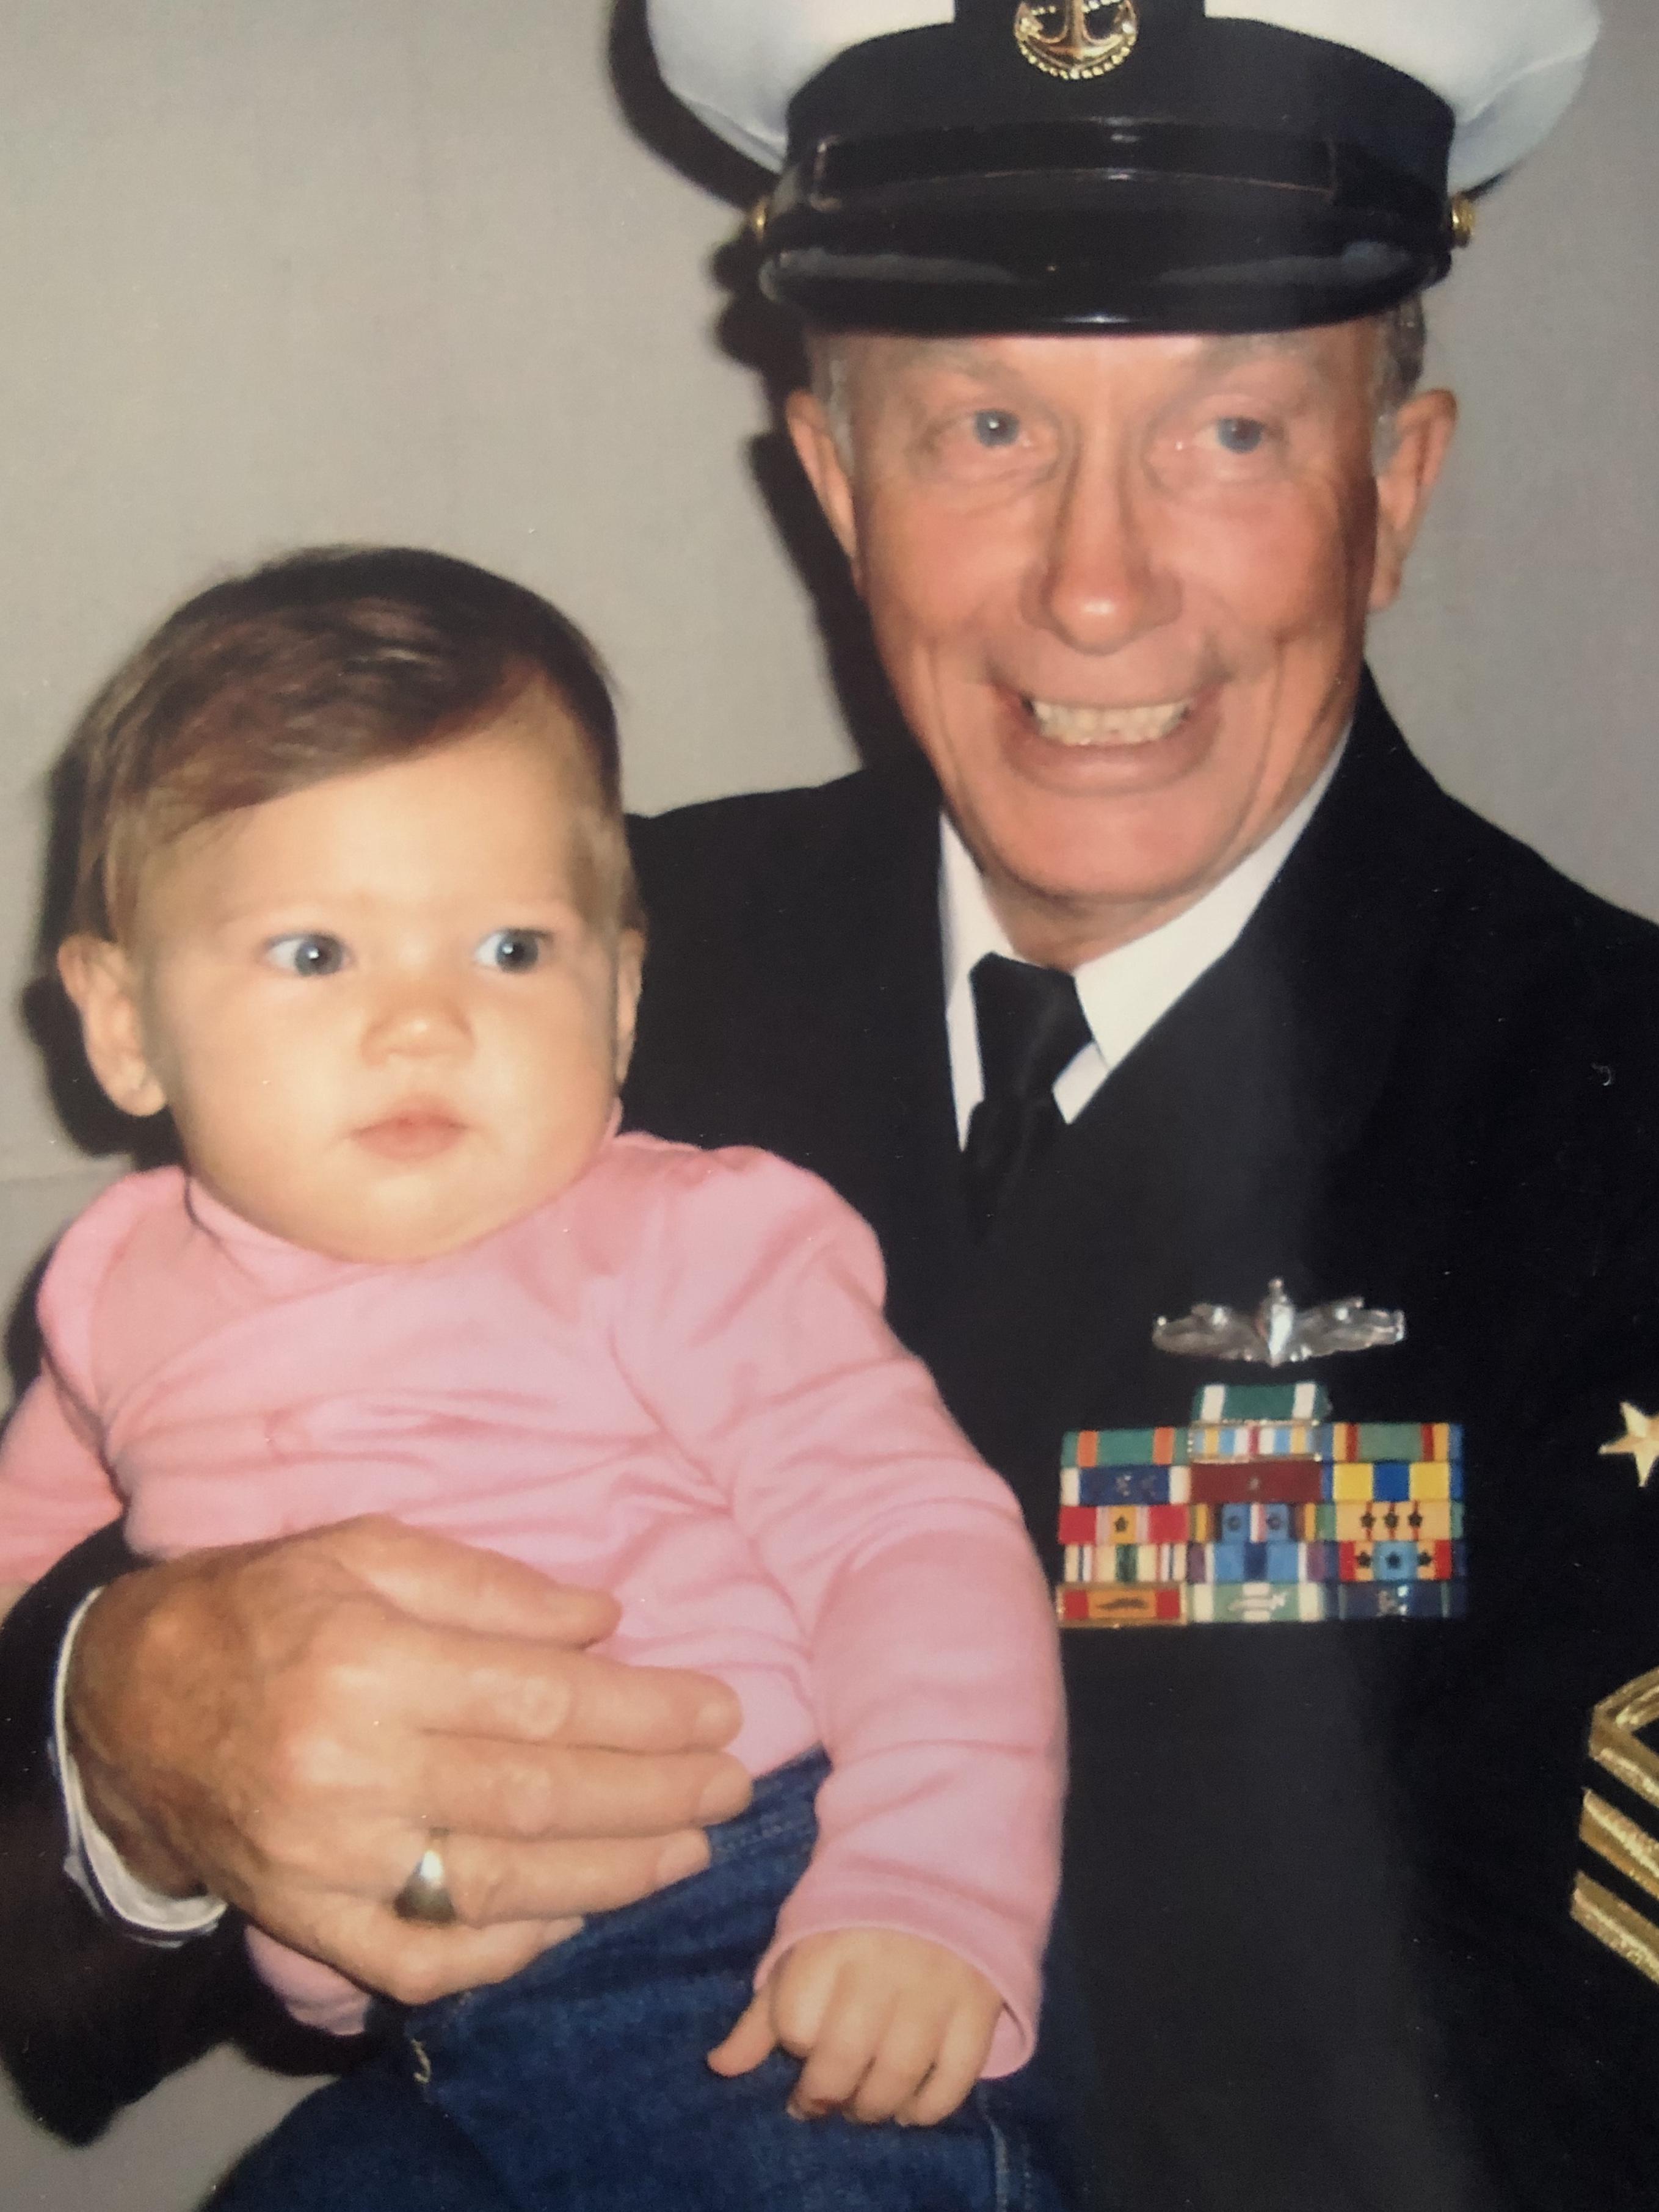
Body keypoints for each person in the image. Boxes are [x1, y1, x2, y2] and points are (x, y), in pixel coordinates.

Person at [2, 1, 1655, 2207]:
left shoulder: (1609, 1117)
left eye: (1233, 431)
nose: (1095, 583)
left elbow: (1569, 2087)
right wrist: (128, 1737)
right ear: (837, 480)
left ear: (1398, 488)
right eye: (988, 426)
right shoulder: (507, 971)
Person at [0, 544, 1067, 2208]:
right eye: (314, 954)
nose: (424, 1023)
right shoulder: (111, 1286)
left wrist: (925, 1889)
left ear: (621, 995)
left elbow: (911, 1546)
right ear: (123, 1023)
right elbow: (25, 1595)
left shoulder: (688, 1243)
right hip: (426, 2041)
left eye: (509, 950)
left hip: (748, 1949)